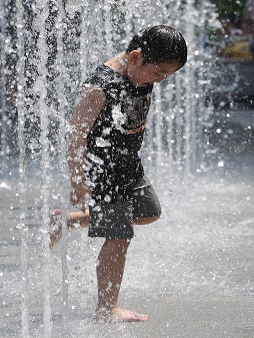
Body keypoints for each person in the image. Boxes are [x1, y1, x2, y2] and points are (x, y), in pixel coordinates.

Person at [51, 25, 187, 323]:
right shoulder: (100, 87)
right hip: (102, 172)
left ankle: (70, 222)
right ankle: (106, 308)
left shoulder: (139, 70)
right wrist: (79, 184)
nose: (159, 81)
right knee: (119, 237)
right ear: (135, 57)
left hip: (129, 167)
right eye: (159, 74)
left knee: (150, 210)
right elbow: (75, 137)